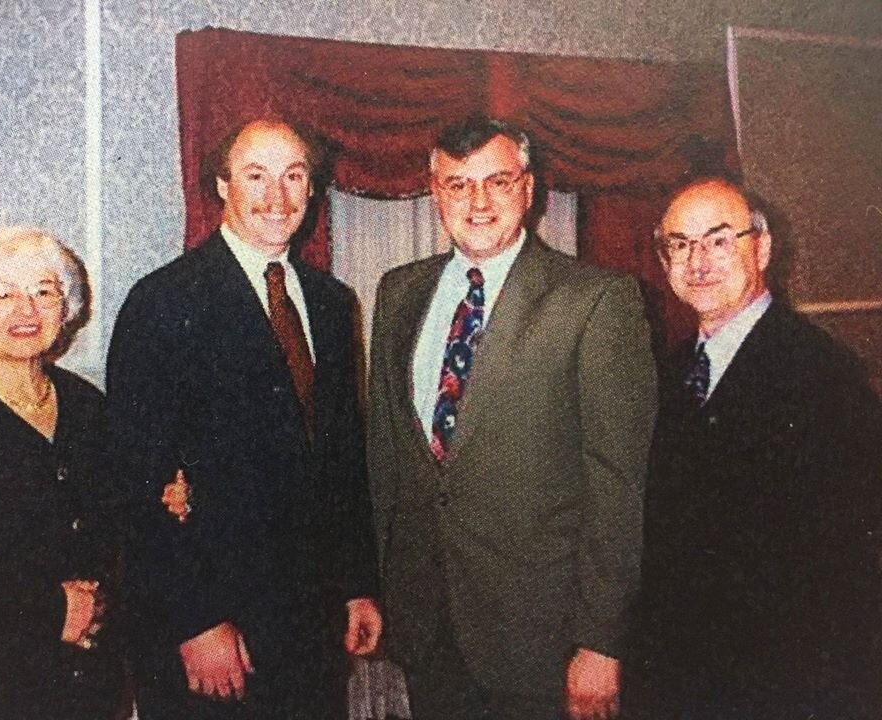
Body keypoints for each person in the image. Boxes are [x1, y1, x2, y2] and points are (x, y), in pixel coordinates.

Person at [367, 115, 658, 720]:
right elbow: (388, 461)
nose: (477, 202)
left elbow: (620, 487)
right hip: (427, 625)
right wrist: (372, 587)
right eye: (457, 185)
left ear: (528, 189)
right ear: (434, 190)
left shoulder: (596, 300)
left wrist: (602, 642)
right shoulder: (398, 293)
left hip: (541, 640)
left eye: (497, 182)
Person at [106, 119, 381, 720]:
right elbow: (135, 480)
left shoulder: (333, 303)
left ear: (313, 190)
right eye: (256, 176)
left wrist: (359, 582)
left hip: (311, 623)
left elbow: (341, 457)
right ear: (223, 186)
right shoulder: (164, 301)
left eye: (294, 176)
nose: (276, 197)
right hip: (211, 632)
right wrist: (196, 619)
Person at [632, 177, 882, 718]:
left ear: (762, 249)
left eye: (719, 240)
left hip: (777, 685)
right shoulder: (670, 373)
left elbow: (844, 569)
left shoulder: (819, 374)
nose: (698, 261)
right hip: (683, 677)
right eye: (680, 243)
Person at [0, 227, 125, 720]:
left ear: (66, 307)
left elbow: (116, 530)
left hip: (88, 688)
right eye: (3, 294)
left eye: (43, 291)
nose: (26, 311)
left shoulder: (88, 408)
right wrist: (54, 610)